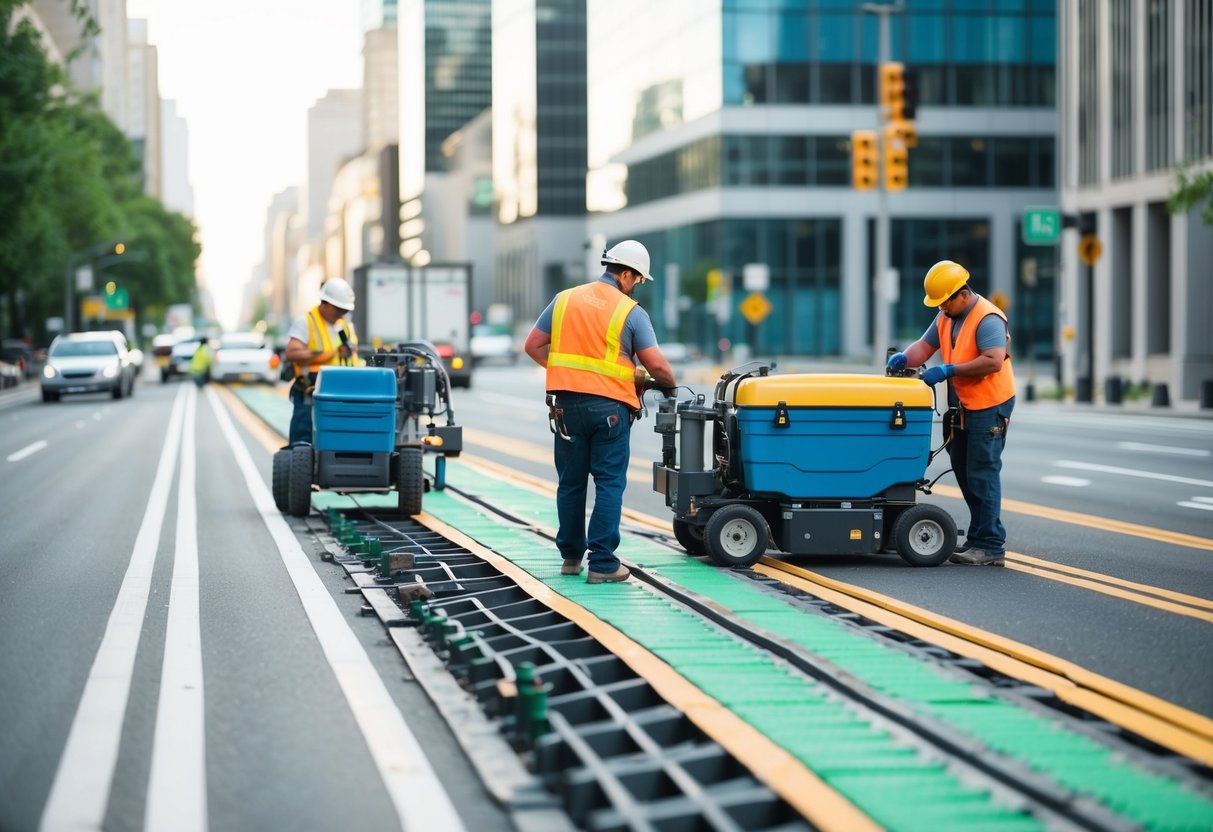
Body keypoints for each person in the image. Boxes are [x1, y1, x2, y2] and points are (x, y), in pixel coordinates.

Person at [524, 240, 676, 584]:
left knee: (571, 483)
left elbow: (532, 345)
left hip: (565, 408)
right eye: (636, 279)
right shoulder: (629, 312)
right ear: (625, 273)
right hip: (608, 410)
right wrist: (670, 385)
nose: (636, 287)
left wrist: (568, 375)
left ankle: (571, 558)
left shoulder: (564, 300)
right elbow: (657, 365)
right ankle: (603, 563)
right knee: (609, 484)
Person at [887, 260, 1016, 567]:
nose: (941, 307)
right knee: (962, 468)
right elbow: (925, 346)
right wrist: (905, 358)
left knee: (982, 472)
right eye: (939, 303)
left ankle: (990, 545)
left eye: (944, 300)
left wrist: (948, 370)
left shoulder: (988, 319)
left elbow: (993, 360)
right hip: (963, 405)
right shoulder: (946, 315)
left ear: (962, 293)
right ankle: (979, 536)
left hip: (989, 404)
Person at [283, 277, 361, 447]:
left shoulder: (344, 325)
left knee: (337, 438)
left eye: (344, 310)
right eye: (338, 308)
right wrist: (326, 354)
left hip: (341, 389)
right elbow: (291, 352)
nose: (341, 313)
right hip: (311, 389)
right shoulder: (306, 322)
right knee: (303, 440)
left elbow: (353, 351)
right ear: (324, 303)